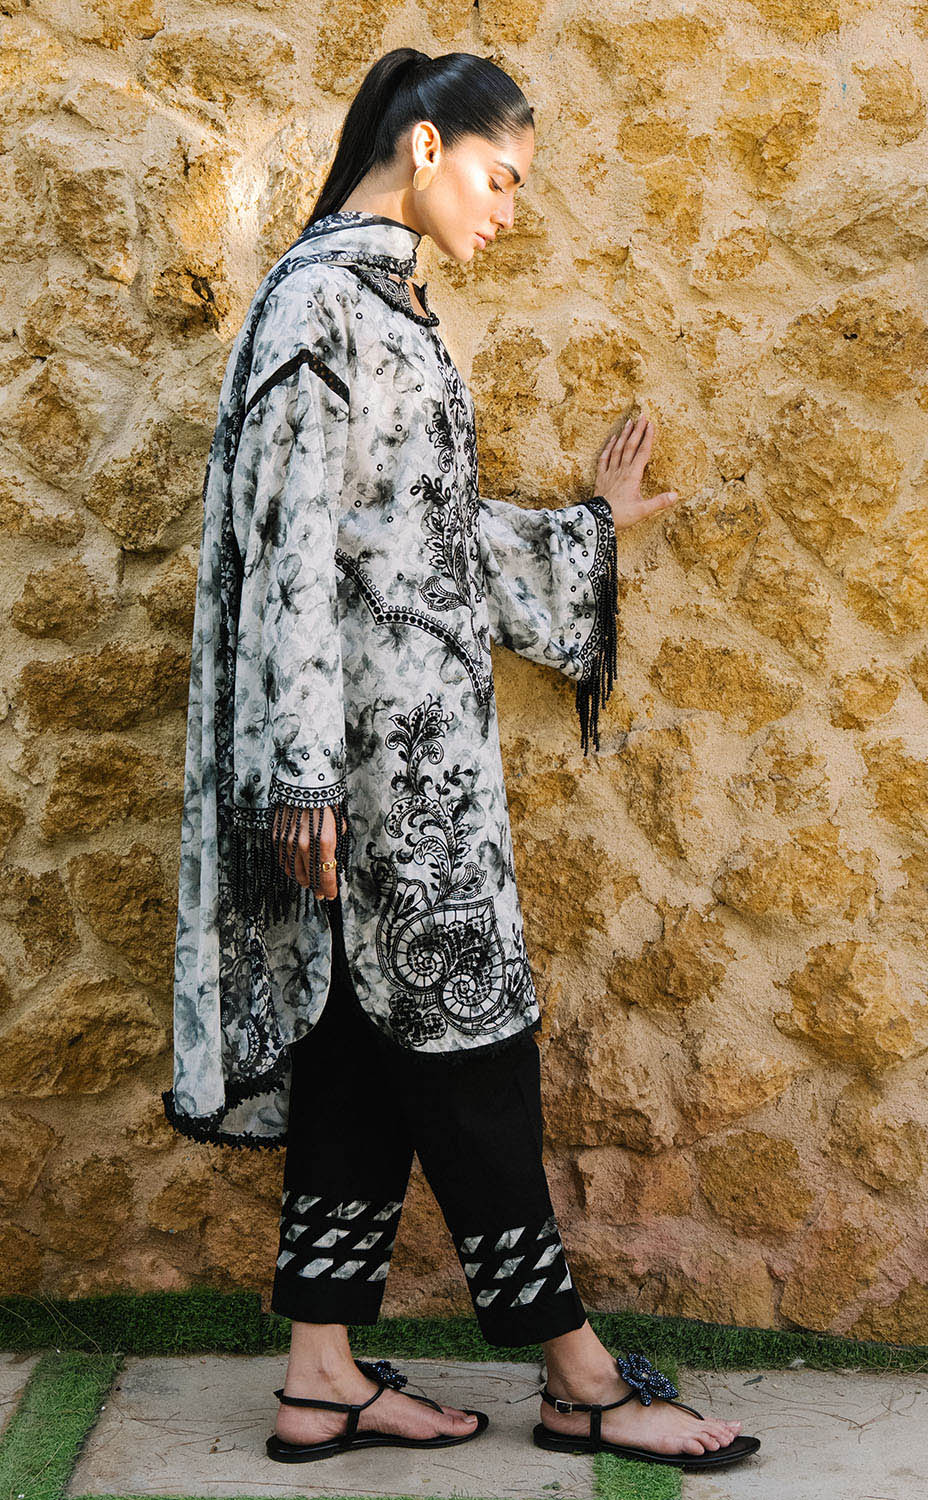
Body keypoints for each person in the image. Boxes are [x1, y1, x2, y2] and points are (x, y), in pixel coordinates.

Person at [162, 46, 761, 1474]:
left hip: (408, 760)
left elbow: (407, 539)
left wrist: (586, 534)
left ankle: (320, 1377)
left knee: (362, 1043)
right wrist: (303, 773)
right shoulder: (321, 305)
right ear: (425, 146)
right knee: (474, 1048)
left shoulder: (383, 305)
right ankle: (581, 1375)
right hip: (374, 777)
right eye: (500, 178)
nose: (507, 210)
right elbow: (291, 547)